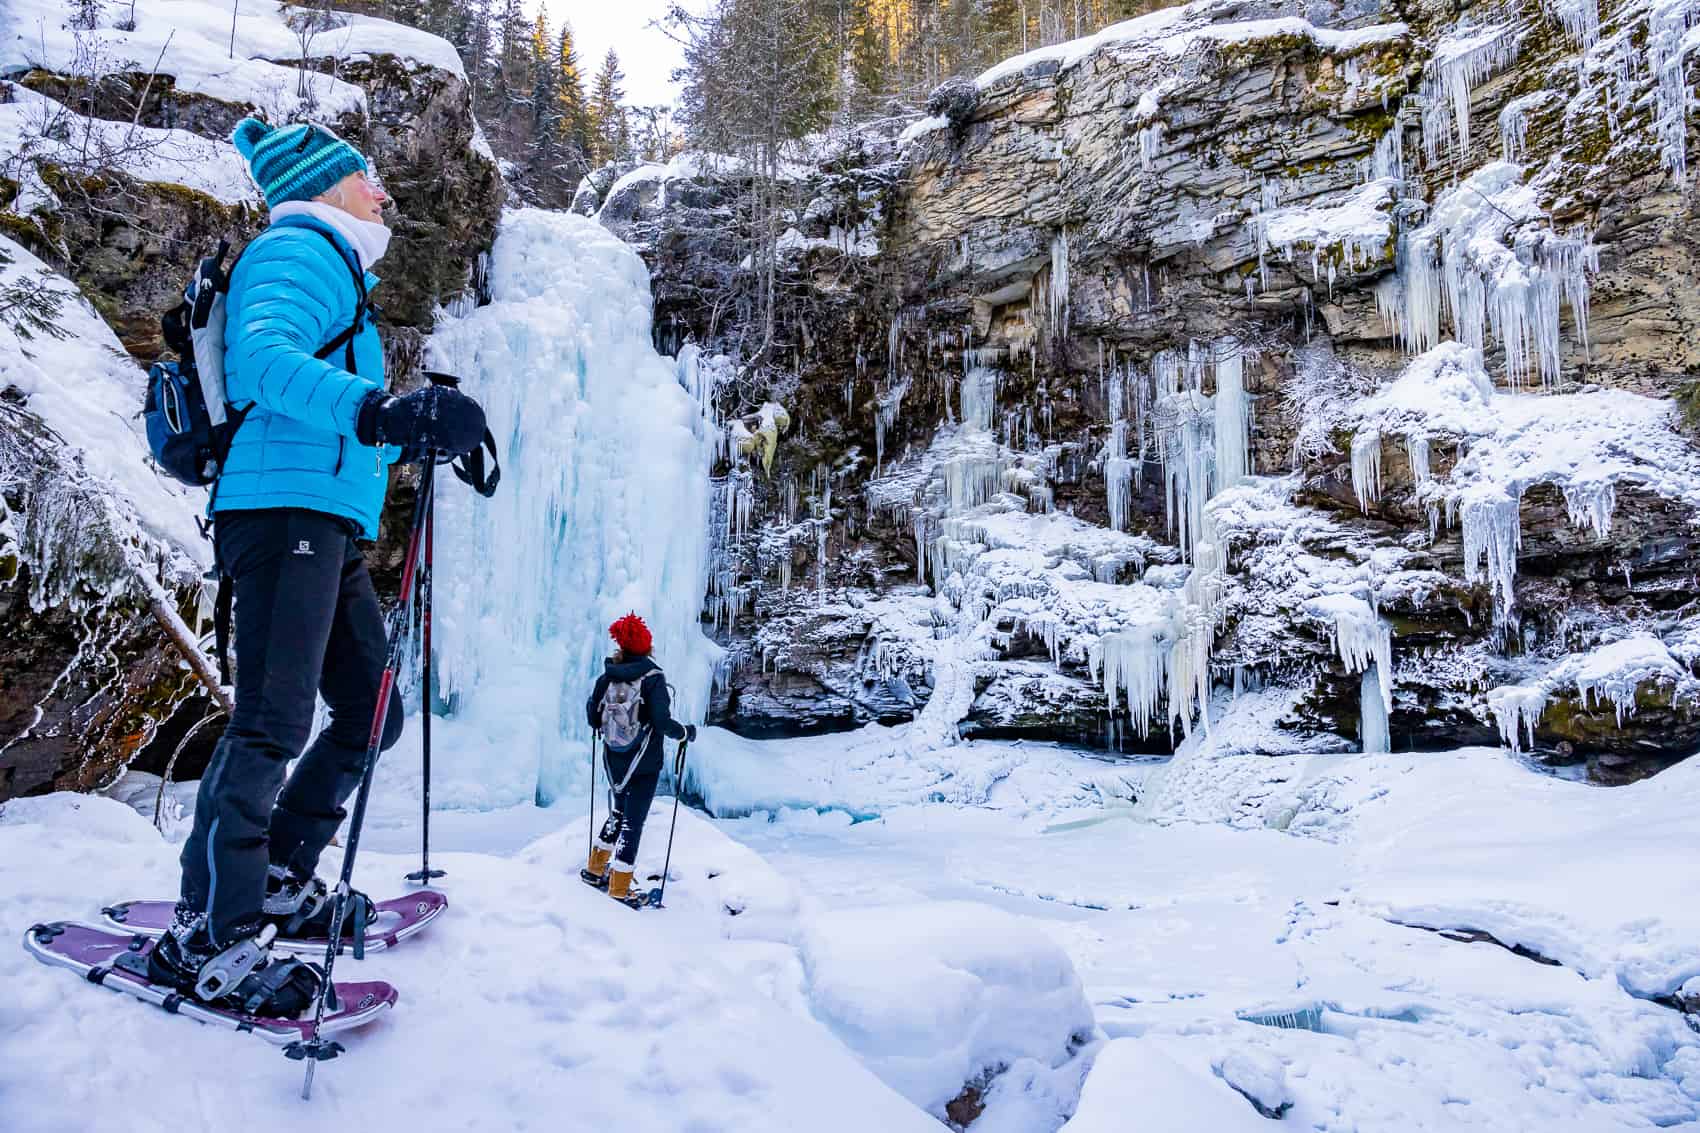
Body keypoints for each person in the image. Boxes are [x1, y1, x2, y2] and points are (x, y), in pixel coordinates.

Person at [148, 117, 488, 1017]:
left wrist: (413, 424)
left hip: (323, 518)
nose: (383, 190)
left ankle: (276, 878)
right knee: (270, 719)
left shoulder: (334, 265)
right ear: (326, 184)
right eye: (368, 176)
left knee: (371, 710)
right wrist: (381, 415)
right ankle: (207, 930)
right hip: (279, 512)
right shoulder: (296, 247)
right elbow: (262, 360)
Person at [583, 613, 697, 905]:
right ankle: (620, 887)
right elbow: (661, 721)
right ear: (646, 646)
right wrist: (685, 732)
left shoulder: (607, 677)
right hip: (644, 762)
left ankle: (595, 869)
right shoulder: (652, 678)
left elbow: (592, 717)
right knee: (633, 823)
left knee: (618, 815)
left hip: (615, 759)